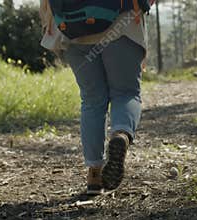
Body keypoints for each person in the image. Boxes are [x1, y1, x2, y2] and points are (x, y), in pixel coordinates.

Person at [40, 0, 149, 195]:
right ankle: (121, 134)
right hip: (121, 25)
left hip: (73, 27)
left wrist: (47, 21)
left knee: (91, 100)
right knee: (125, 92)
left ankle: (94, 174)